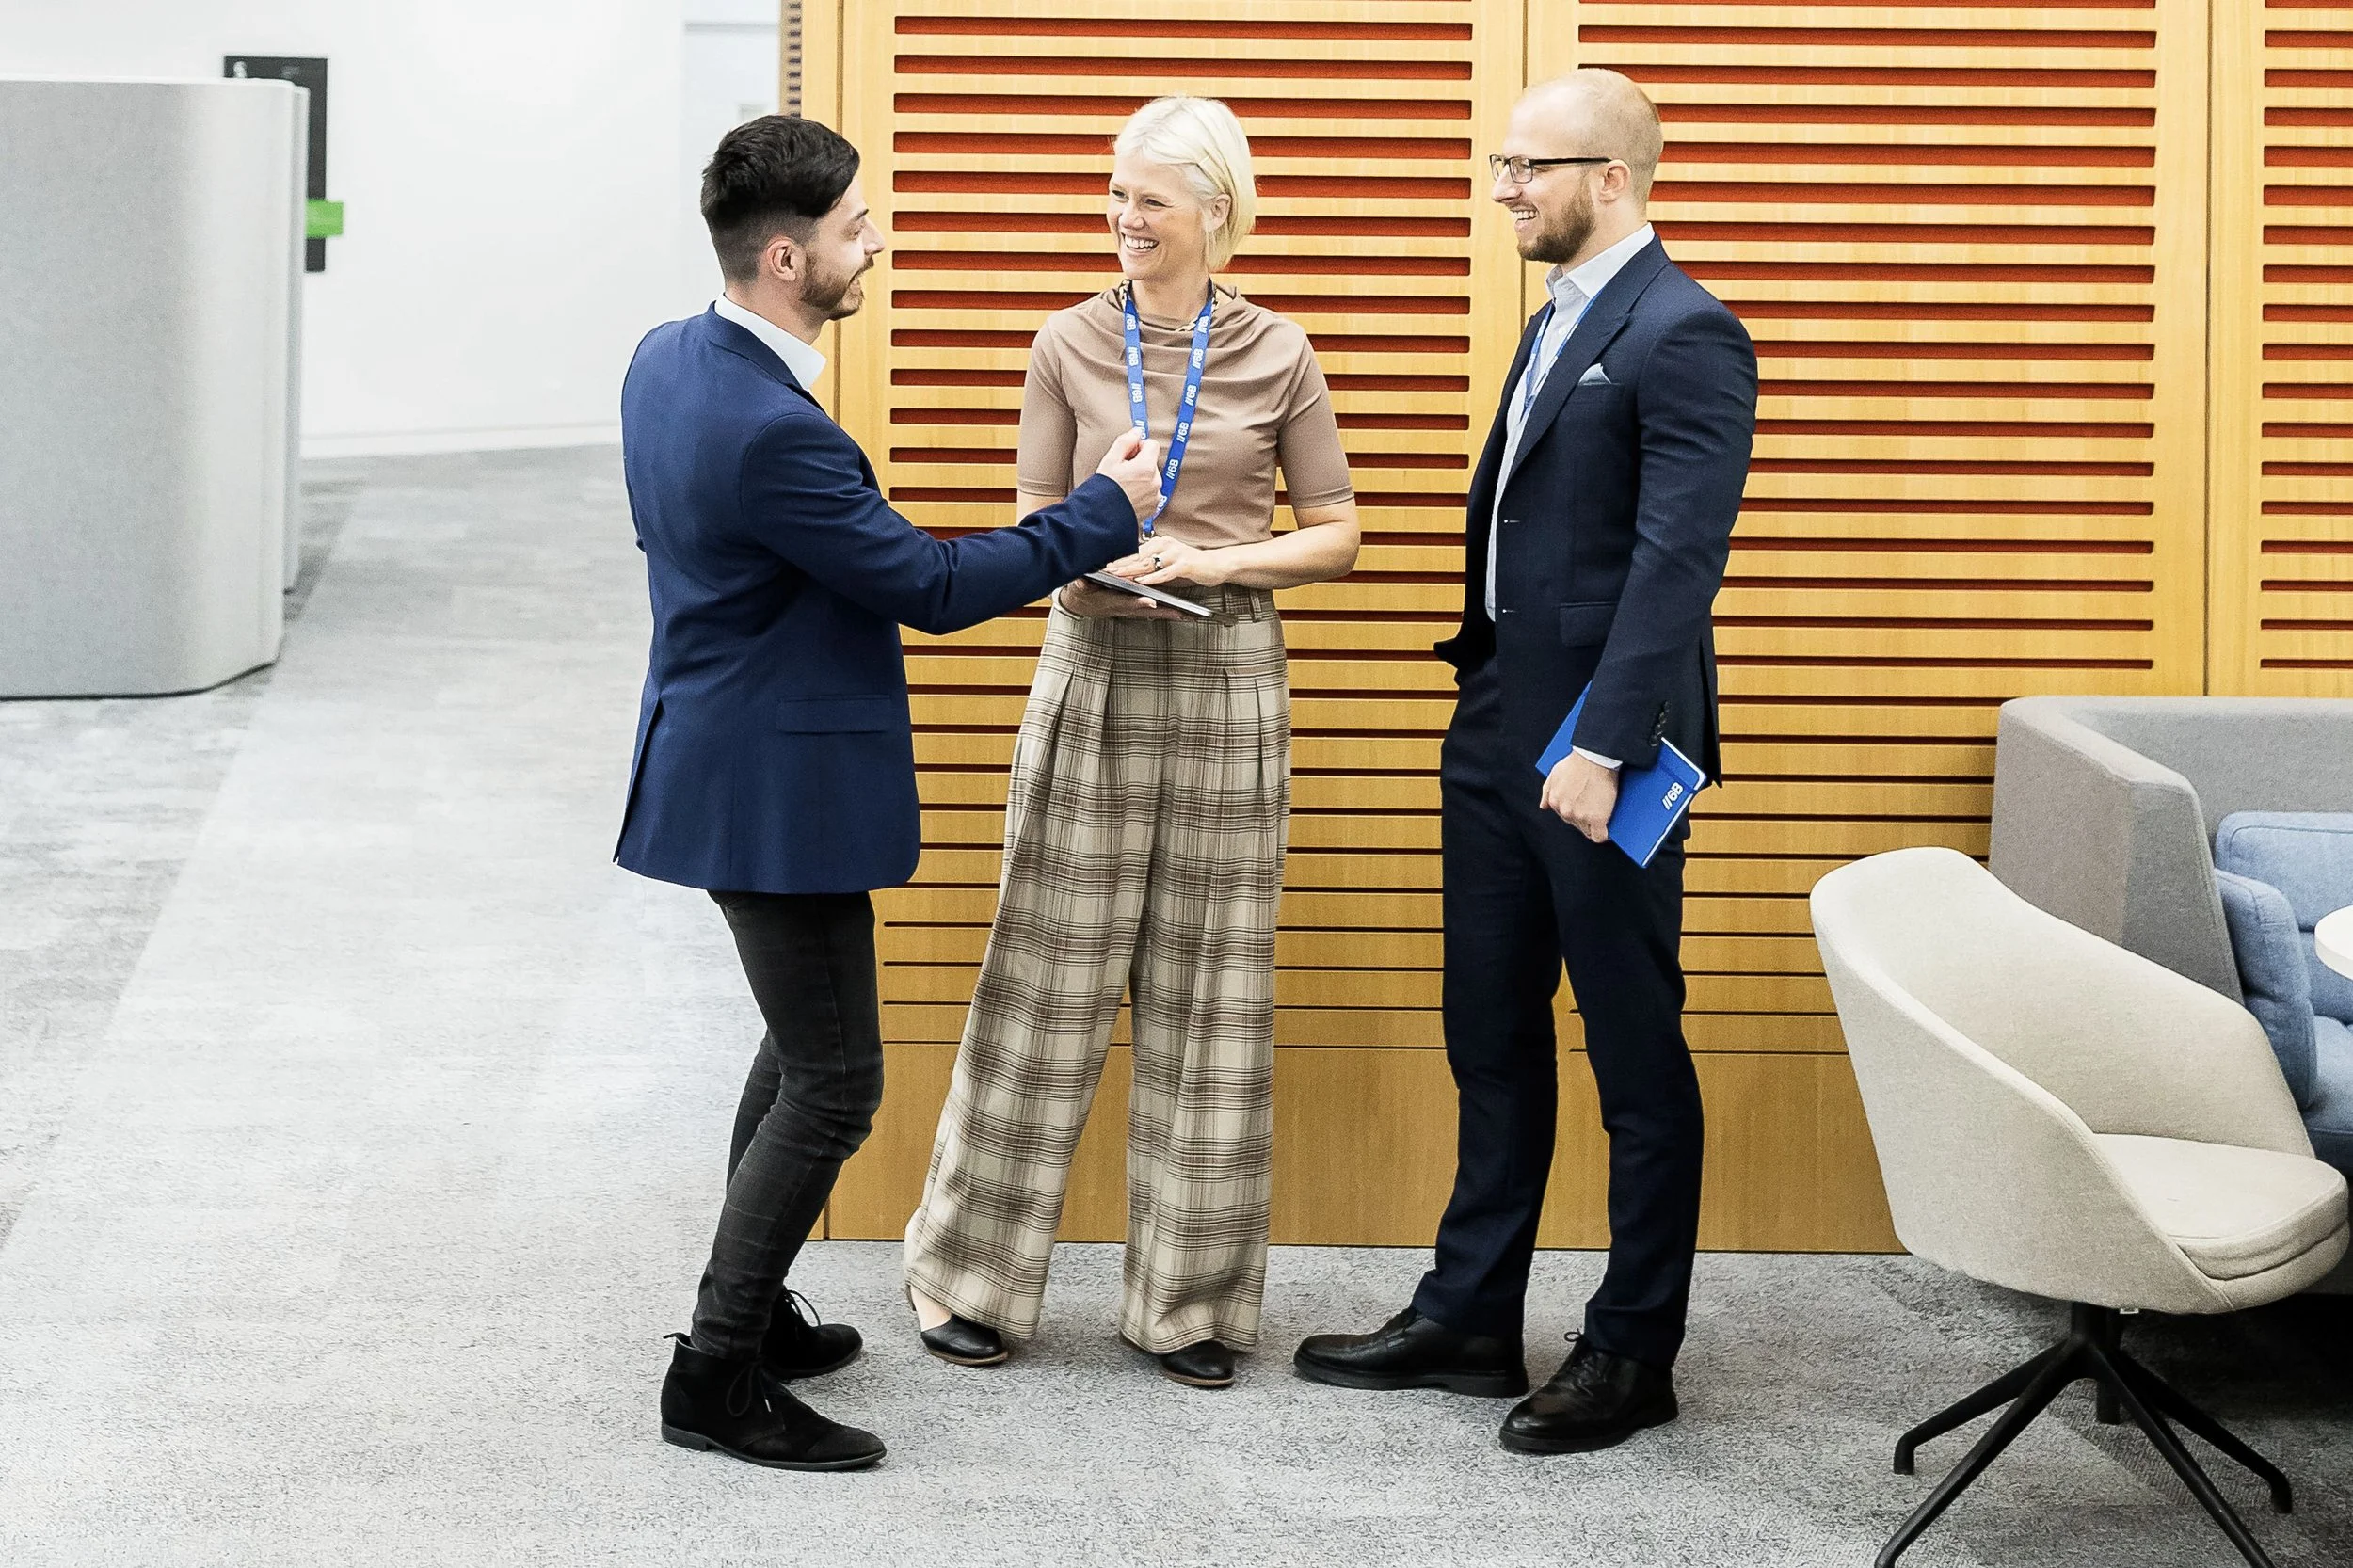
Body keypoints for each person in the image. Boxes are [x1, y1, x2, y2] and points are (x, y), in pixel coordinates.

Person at [616, 115, 1162, 1471]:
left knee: (796, 1049)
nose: (881, 242)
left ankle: (754, 1312)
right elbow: (926, 584)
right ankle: (714, 1370)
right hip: (772, 785)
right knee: (840, 1081)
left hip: (724, 750)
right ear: (791, 256)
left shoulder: (667, 359)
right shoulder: (768, 430)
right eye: (862, 227)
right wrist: (1104, 508)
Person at [1292, 70, 1757, 1453]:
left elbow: (1677, 567)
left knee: (1629, 1044)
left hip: (1604, 751)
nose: (1502, 189)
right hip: (1497, 727)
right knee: (1488, 1026)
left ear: (1610, 179)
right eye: (1499, 166)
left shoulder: (1686, 332)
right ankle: (1471, 1311)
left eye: (1526, 168)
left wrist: (1606, 746)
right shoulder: (1556, 319)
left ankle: (1632, 1345)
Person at [900, 96, 1359, 1390]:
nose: (1123, 215)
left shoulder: (1279, 351)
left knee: (1214, 993)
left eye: (1149, 197)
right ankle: (972, 1278)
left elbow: (1336, 529)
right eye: (1116, 192)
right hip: (1096, 656)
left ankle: (1191, 1306)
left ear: (1215, 209)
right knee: (1042, 969)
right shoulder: (1067, 342)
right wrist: (1083, 573)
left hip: (1227, 669)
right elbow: (1038, 518)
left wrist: (1213, 561)